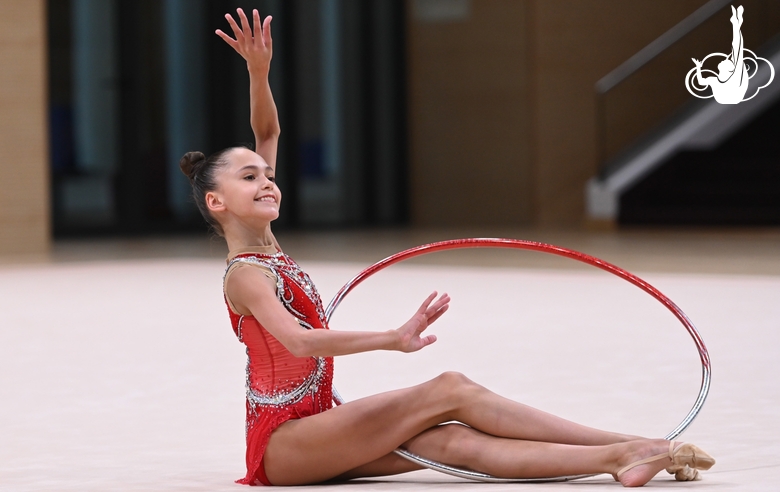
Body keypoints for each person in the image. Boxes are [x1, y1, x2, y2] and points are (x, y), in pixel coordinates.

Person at [179, 8, 715, 487]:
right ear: (217, 203)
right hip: (286, 443)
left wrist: (258, 71)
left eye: (268, 174)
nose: (267, 181)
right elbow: (298, 343)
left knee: (452, 443)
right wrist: (392, 337)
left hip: (321, 426)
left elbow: (266, 129)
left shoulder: (268, 245)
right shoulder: (245, 274)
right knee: (448, 388)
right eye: (249, 177)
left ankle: (626, 454)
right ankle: (629, 447)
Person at [692, 5, 748, 104]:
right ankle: (736, 23)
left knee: (737, 49)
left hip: (732, 97)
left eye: (727, 61)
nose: (725, 59)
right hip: (728, 99)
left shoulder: (734, 77)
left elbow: (737, 48)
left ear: (729, 69)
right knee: (736, 50)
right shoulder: (716, 80)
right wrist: (698, 67)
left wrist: (736, 25)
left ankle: (736, 23)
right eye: (728, 60)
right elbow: (701, 82)